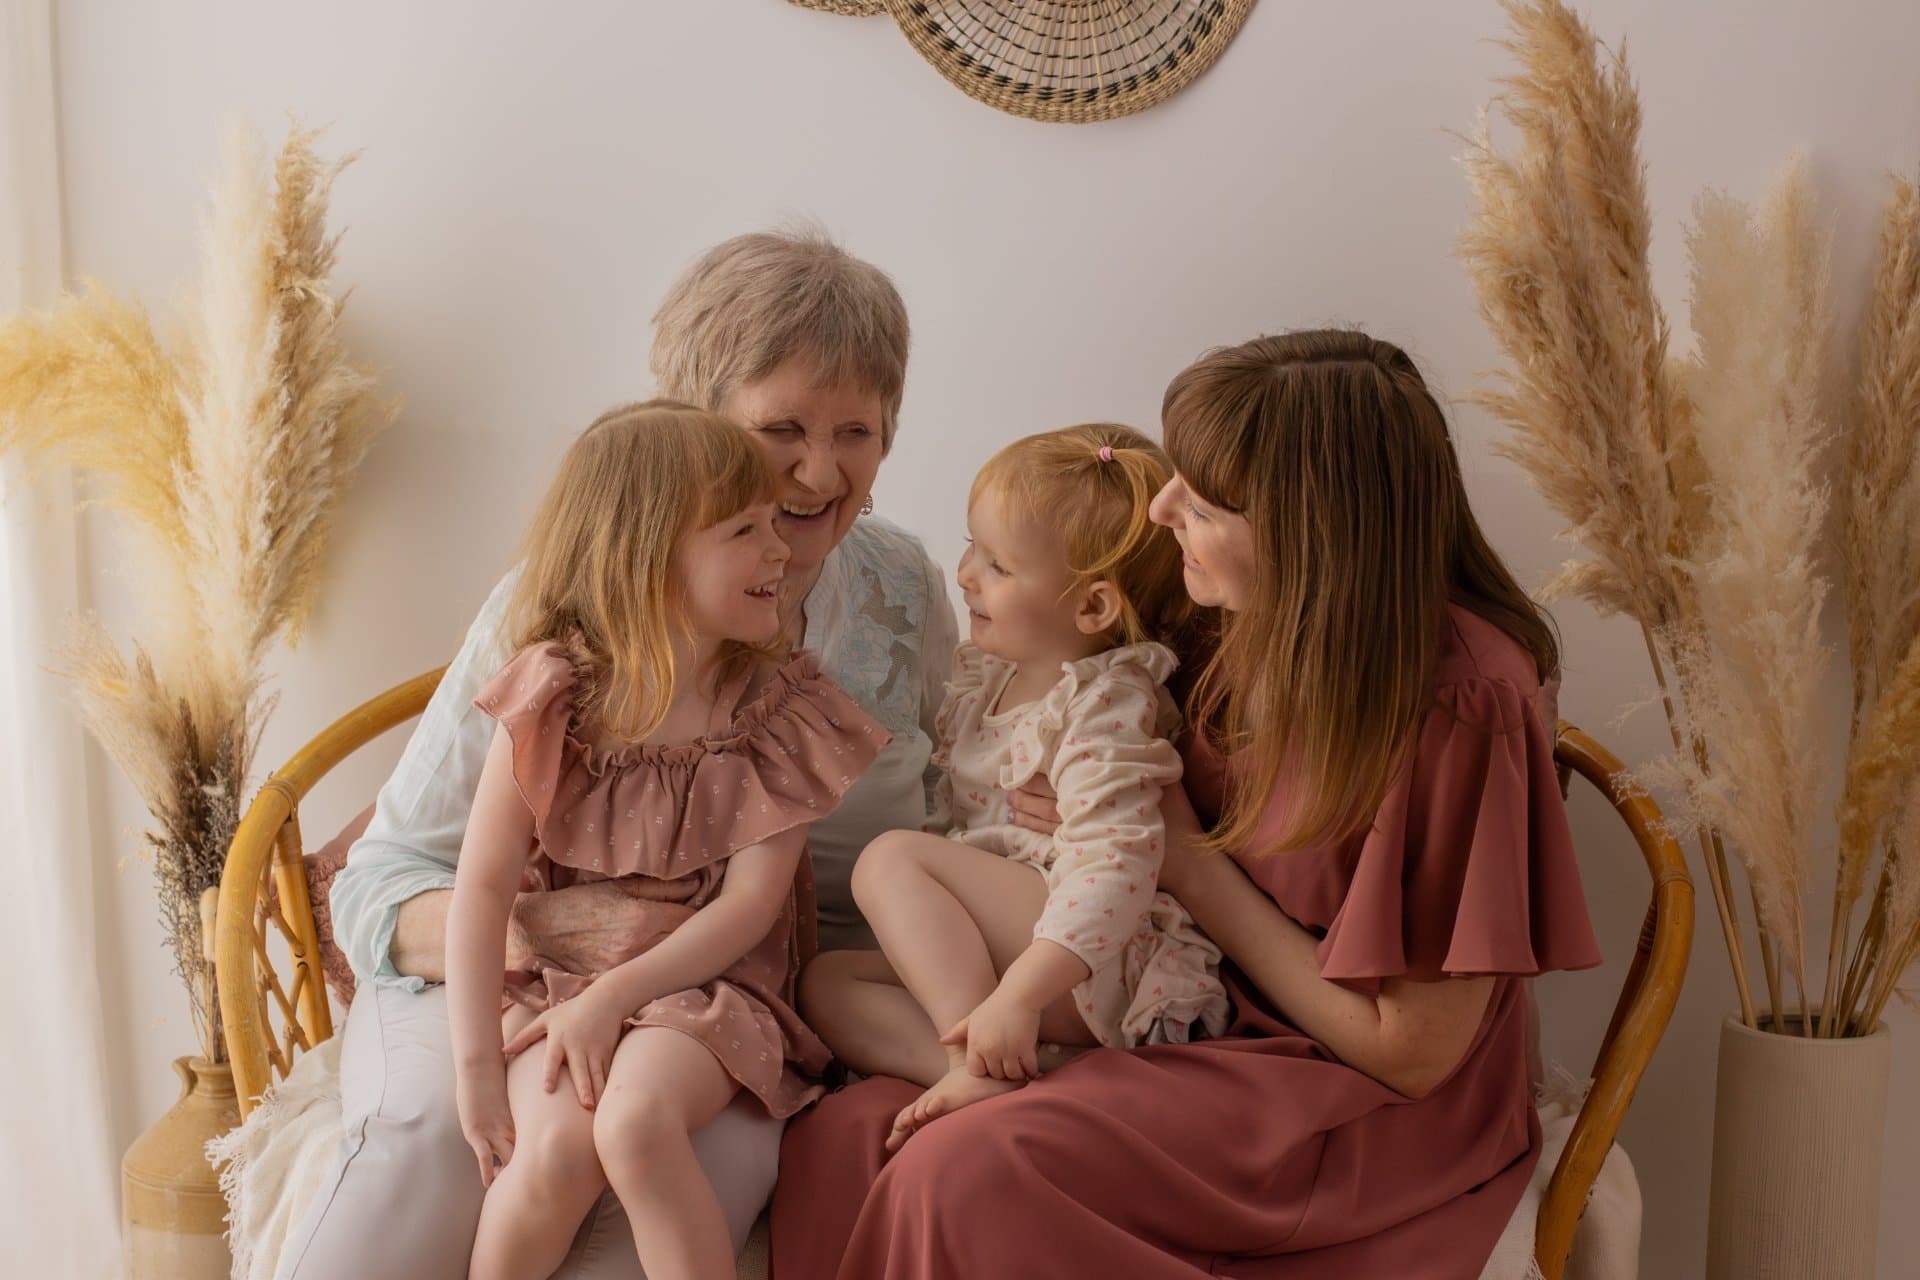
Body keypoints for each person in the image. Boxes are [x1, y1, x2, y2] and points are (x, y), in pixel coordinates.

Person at [772, 330, 1603, 1279]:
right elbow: (1081, 712)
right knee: (846, 1133)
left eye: (1202, 502)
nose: (1163, 505)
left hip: (1345, 1094)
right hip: (1188, 1011)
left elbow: (1410, 1055)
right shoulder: (1223, 616)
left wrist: (1187, 859)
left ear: (1312, 534)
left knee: (958, 1171)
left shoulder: (1465, 701)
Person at [291, 229, 956, 1280]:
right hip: (522, 964)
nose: (821, 469)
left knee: (662, 1174)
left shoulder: (905, 593)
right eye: (781, 426)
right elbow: (387, 874)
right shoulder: (560, 614)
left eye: (857, 431)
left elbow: (957, 826)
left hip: (747, 1001)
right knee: (441, 1151)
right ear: (692, 428)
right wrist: (566, 962)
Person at [445, 402, 887, 1280]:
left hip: (709, 987)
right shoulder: (553, 697)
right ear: (647, 559)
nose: (780, 550)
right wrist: (476, 1068)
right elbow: (483, 887)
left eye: (773, 526)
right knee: (553, 1157)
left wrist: (616, 1001)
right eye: (745, 530)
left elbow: (752, 909)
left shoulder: (777, 712)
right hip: (564, 976)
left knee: (634, 1121)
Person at [803, 424, 1228, 1152]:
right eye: (972, 547)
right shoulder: (988, 676)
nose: (965, 575)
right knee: (826, 984)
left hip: (1088, 957)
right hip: (1021, 950)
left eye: (997, 565)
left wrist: (1020, 995)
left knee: (889, 860)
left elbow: (1116, 867)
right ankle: (1005, 1065)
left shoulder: (1103, 706)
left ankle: (986, 1058)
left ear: (1092, 608)